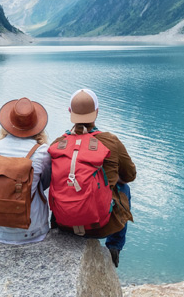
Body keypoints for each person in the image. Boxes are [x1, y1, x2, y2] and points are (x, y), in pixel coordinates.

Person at [50, 89, 136, 267]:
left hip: (64, 224)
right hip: (100, 226)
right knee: (124, 189)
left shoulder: (57, 144)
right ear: (96, 112)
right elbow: (130, 175)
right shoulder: (110, 141)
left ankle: (56, 231)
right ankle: (114, 247)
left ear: (69, 112)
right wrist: (112, 177)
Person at [0, 97, 52, 245]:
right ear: (37, 125)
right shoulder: (42, 151)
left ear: (8, 124)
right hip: (32, 230)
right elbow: (45, 184)